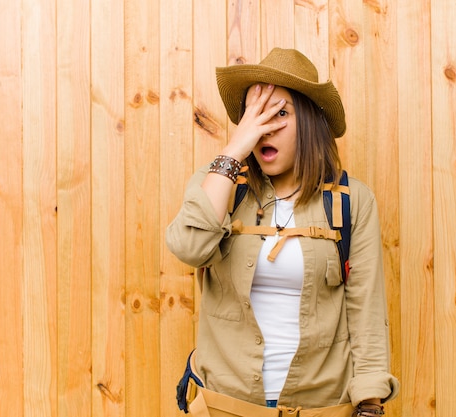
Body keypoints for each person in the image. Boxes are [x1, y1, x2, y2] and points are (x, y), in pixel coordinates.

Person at [166, 48, 399, 417]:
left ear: (307, 120)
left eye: (280, 113)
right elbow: (189, 247)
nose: (264, 128)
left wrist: (370, 406)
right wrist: (234, 150)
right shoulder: (221, 184)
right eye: (254, 115)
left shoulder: (353, 201)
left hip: (322, 407)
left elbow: (366, 312)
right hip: (226, 406)